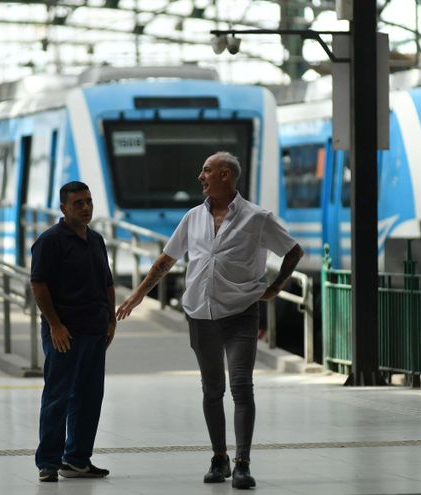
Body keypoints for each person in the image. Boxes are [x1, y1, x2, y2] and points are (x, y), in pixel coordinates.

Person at [116, 151, 303, 490]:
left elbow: (293, 251)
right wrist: (138, 294)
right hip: (200, 314)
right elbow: (166, 260)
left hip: (241, 313)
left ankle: (243, 463)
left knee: (241, 386)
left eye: (206, 171)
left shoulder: (257, 218)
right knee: (212, 388)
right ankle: (220, 458)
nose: (200, 177)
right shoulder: (192, 217)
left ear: (225, 175)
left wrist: (275, 288)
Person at [32, 181, 116, 483]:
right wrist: (55, 325)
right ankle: (48, 462)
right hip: (65, 333)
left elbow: (107, 283)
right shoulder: (50, 241)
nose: (86, 207)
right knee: (58, 396)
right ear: (63, 208)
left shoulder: (96, 240)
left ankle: (78, 460)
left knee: (89, 397)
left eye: (89, 201)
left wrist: (111, 320)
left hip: (95, 330)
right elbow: (38, 284)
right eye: (78, 203)